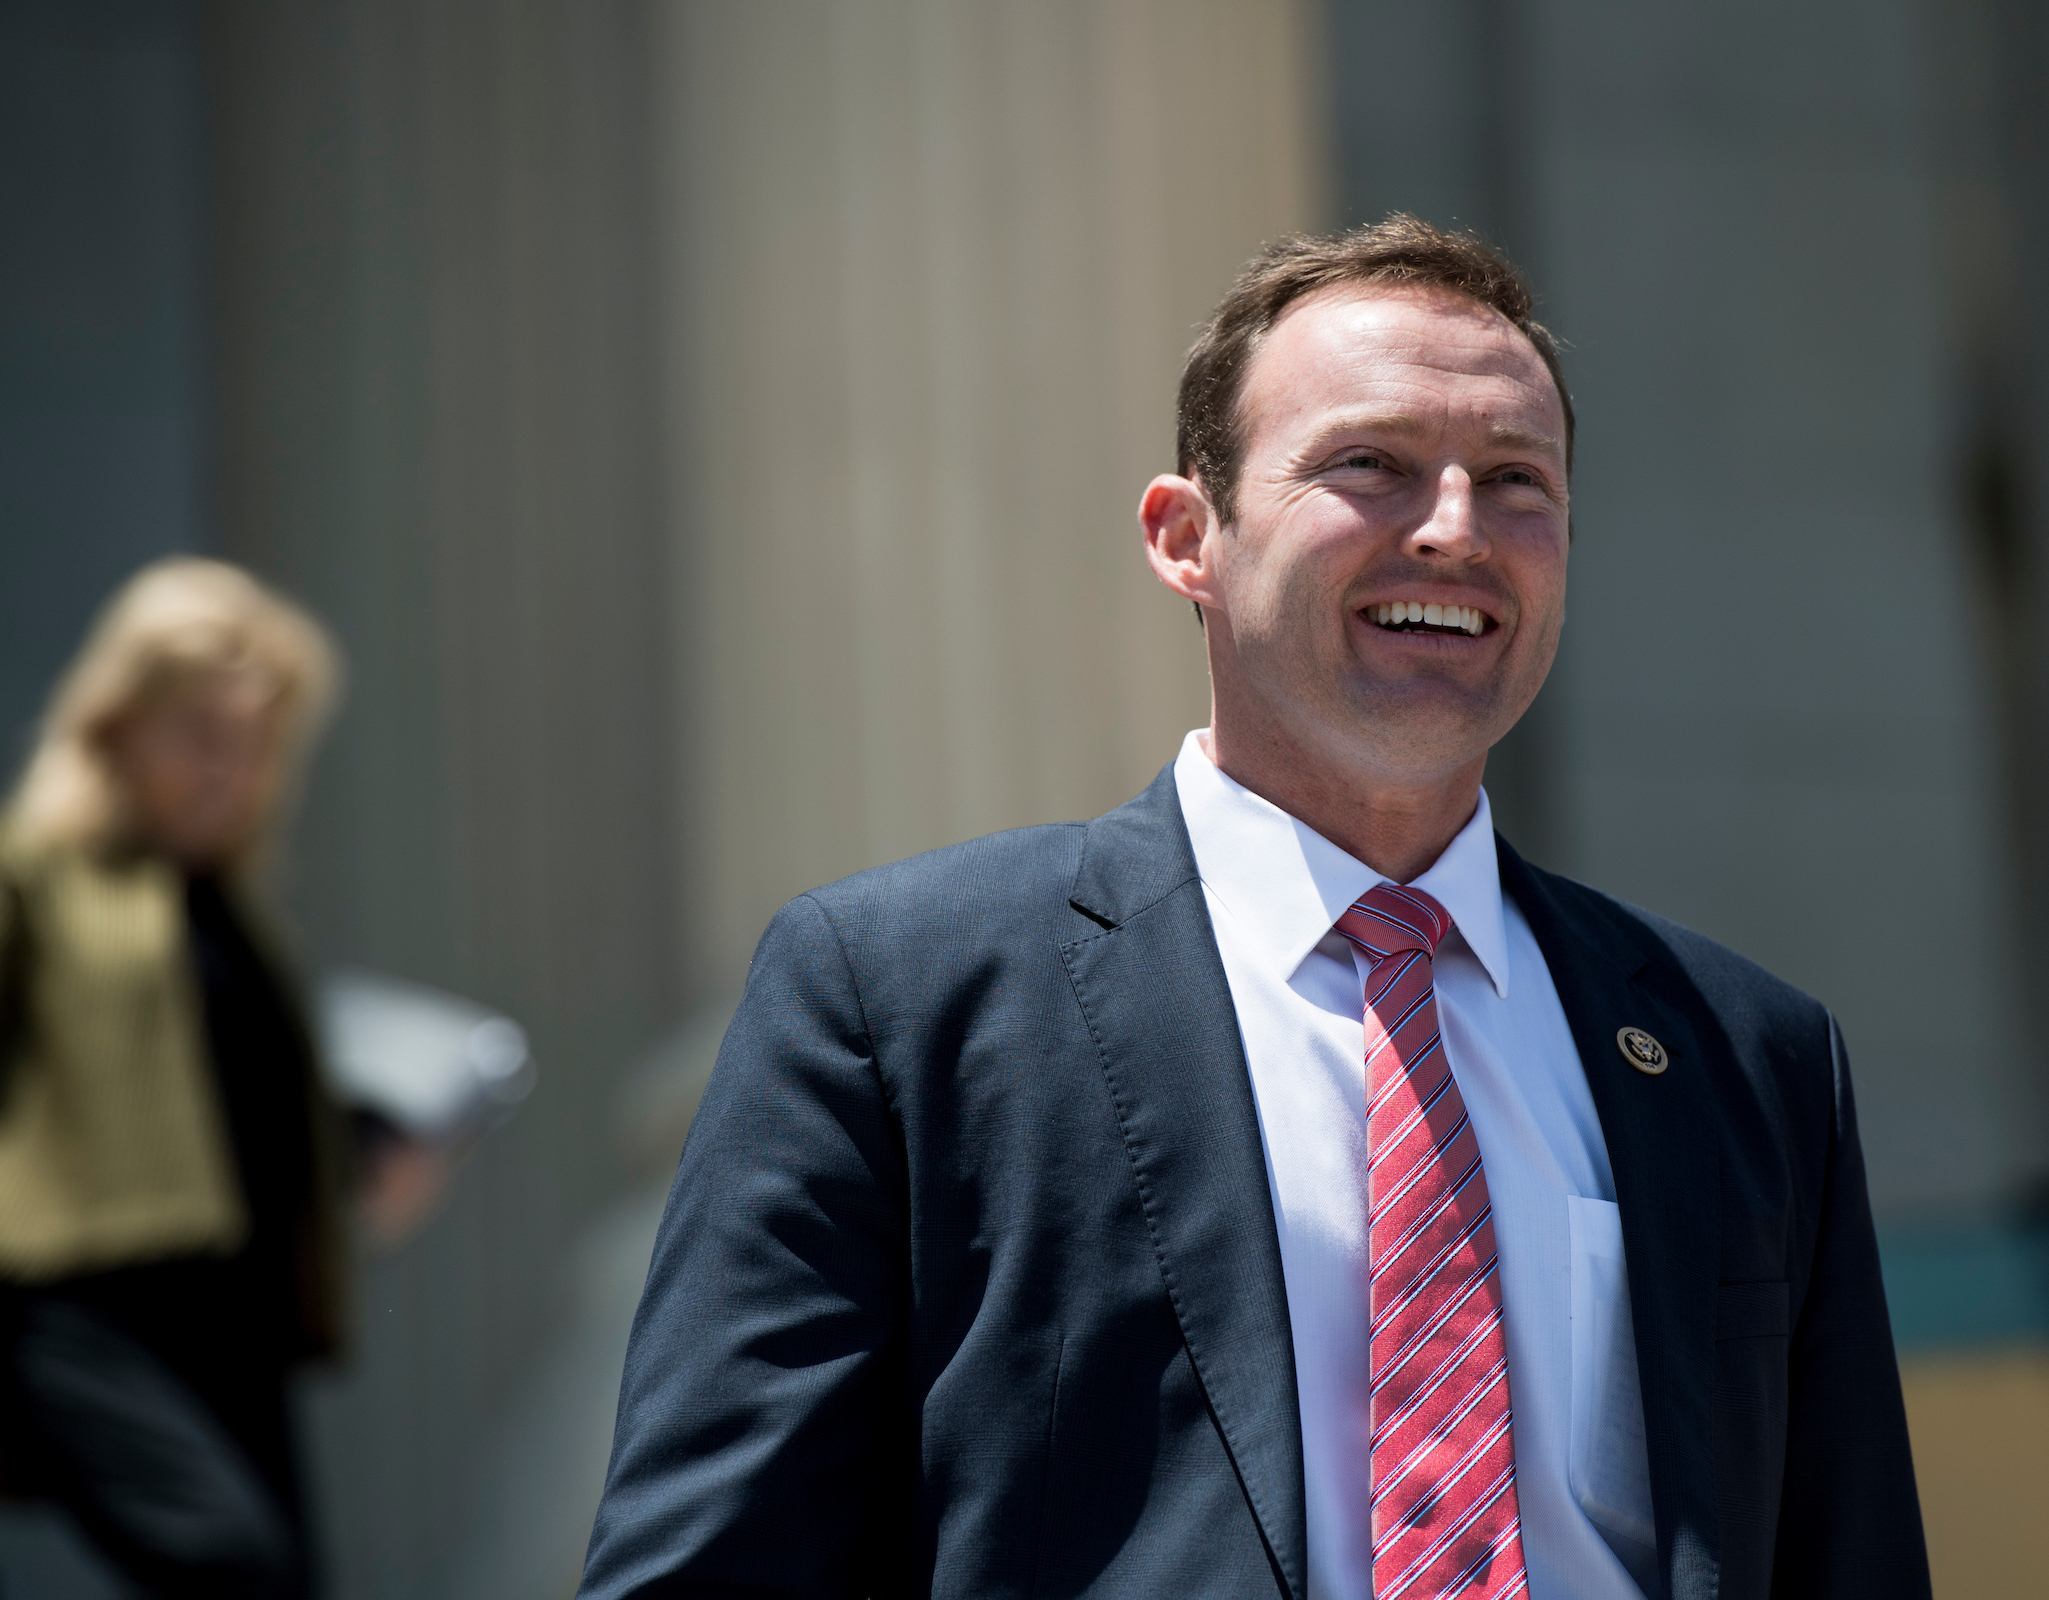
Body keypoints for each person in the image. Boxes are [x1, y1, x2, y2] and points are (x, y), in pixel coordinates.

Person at [580, 217, 1931, 1600]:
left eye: (1517, 481)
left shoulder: (1746, 1054)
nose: (1456, 529)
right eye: (1372, 467)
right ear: (1187, 539)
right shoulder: (896, 999)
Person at [0, 558, 411, 1598]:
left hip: (236, 1318)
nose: (231, 772)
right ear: (115, 723)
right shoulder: (33, 879)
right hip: (76, 1308)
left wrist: (364, 1162)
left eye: (256, 744)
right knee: (229, 1567)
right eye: (200, 737)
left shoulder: (234, 911)